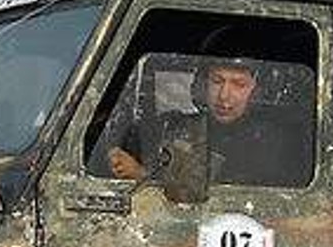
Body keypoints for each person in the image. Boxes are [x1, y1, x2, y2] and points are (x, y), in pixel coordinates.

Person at [103, 43, 305, 188]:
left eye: (239, 84)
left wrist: (143, 177)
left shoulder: (275, 143)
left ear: (256, 91)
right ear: (201, 85)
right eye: (217, 81)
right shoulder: (173, 126)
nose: (224, 95)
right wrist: (117, 157)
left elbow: (228, 200)